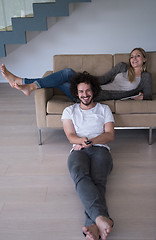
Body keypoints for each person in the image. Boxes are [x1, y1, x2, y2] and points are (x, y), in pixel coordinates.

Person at [61, 71, 114, 240]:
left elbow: (110, 134)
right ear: (76, 93)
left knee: (98, 181)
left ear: (94, 91)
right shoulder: (69, 111)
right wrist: (81, 141)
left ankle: (93, 225)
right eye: (81, 92)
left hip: (100, 149)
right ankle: (102, 220)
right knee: (80, 176)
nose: (85, 95)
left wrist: (91, 140)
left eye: (88, 91)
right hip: (78, 150)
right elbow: (70, 136)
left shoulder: (104, 109)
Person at [1, 47, 152, 101]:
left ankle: (24, 82)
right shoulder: (122, 67)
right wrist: (84, 77)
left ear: (144, 59)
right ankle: (28, 85)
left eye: (138, 56)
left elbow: (149, 95)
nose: (133, 59)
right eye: (132, 56)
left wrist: (141, 98)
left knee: (63, 78)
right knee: (67, 73)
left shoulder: (146, 78)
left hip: (94, 95)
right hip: (92, 86)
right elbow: (104, 79)